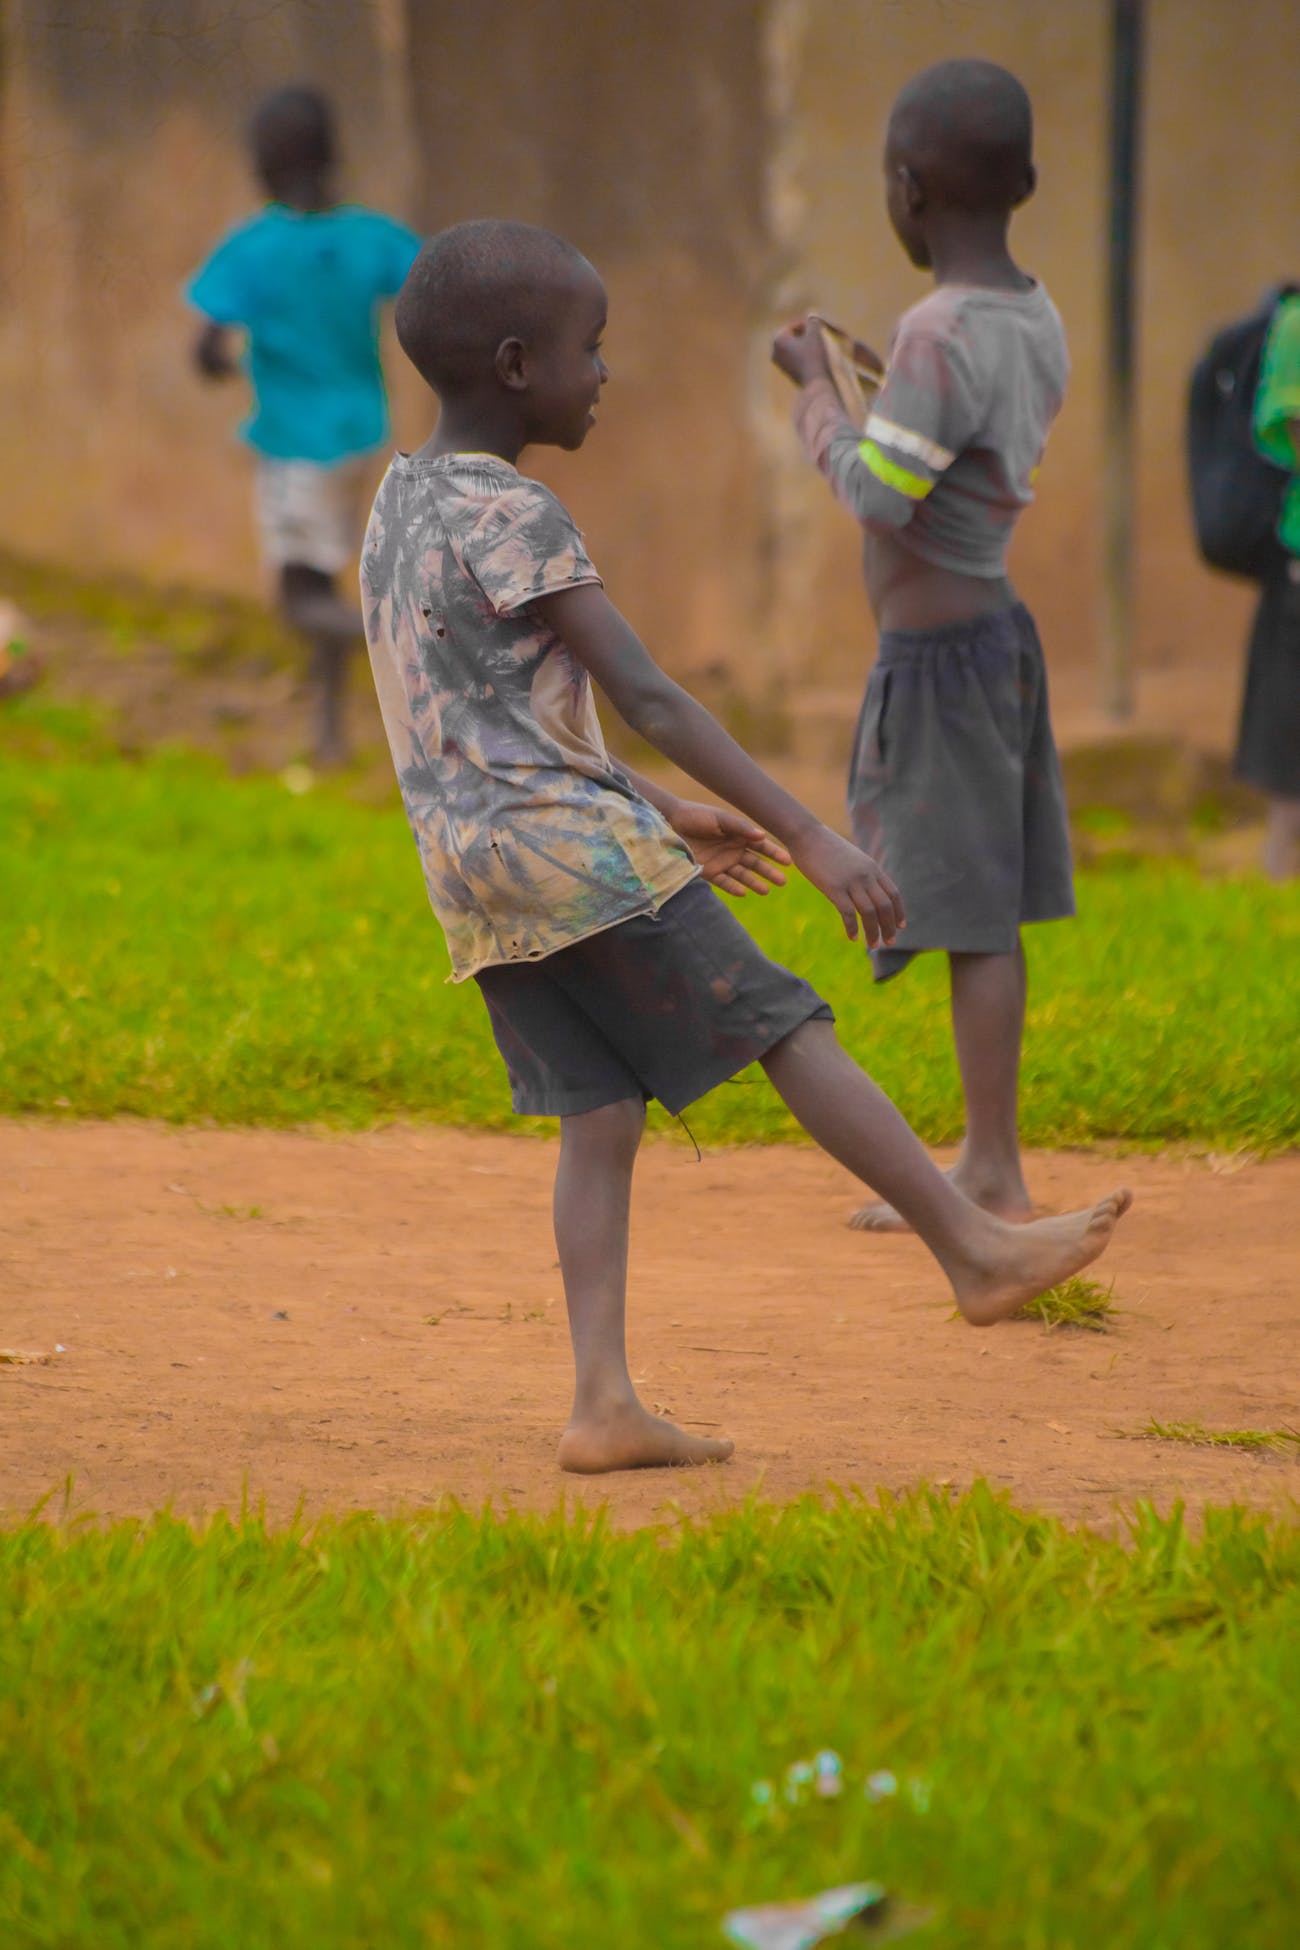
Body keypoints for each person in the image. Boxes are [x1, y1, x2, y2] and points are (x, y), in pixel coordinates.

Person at [361, 217, 1130, 1475]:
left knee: (599, 1111)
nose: (603, 372)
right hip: (569, 855)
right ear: (514, 367)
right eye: (587, 349)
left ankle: (602, 1404)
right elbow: (653, 695)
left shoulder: (398, 505)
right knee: (782, 1021)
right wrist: (811, 834)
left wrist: (659, 811)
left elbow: (475, 722)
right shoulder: (520, 513)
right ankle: (975, 1248)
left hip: (471, 873)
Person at [772, 58, 1073, 1233]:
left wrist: (814, 395)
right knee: (981, 912)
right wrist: (866, 389)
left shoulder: (936, 330)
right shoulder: (1031, 313)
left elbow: (883, 496)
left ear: (904, 191)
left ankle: (990, 1170)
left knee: (971, 916)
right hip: (993, 637)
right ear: (1028, 182)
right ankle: (986, 1154)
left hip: (941, 662)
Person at [186, 85, 420, 765]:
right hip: (363, 435)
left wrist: (230, 365)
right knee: (323, 583)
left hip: (297, 443)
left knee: (298, 601)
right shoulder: (370, 236)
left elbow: (205, 349)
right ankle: (328, 738)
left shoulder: (253, 250)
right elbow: (432, 281)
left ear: (260, 161)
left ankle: (406, 645)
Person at [1235, 290, 1300, 879]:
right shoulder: (1296, 324)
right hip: (1297, 560)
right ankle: (1279, 878)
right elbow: (1292, 430)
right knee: (1287, 754)